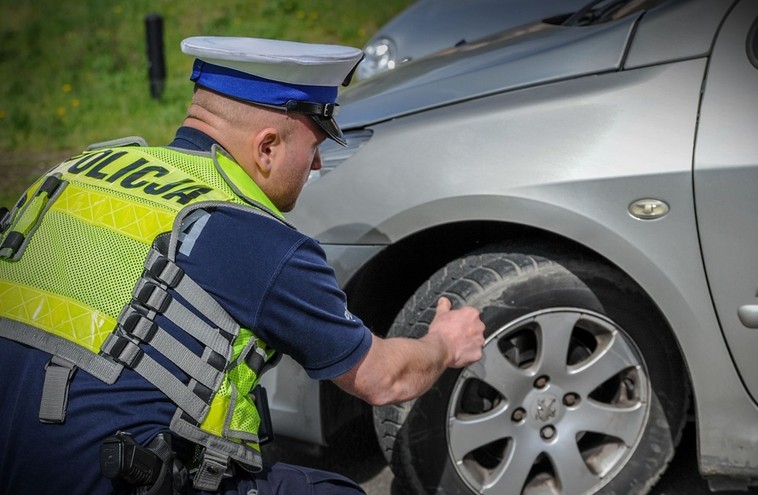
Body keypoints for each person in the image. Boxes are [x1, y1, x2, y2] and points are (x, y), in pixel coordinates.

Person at [0, 36, 485, 494]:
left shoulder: (77, 172)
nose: (316, 166)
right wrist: (443, 342)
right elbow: (385, 379)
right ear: (267, 147)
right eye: (315, 145)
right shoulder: (259, 242)